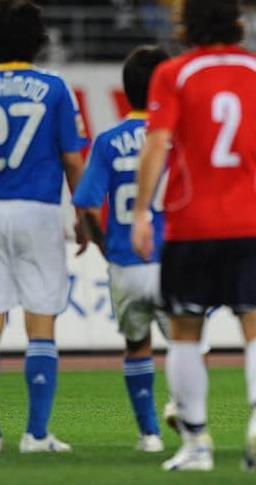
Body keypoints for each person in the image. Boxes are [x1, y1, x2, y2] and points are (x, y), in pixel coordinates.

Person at [131, 0, 256, 472]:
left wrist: (141, 212)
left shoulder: (173, 74)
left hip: (192, 224)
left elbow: (156, 145)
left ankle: (196, 445)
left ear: (186, 25)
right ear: (237, 23)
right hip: (254, 225)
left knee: (186, 335)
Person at [0, 0, 88, 454]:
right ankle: (36, 434)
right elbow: (72, 160)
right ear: (40, 41)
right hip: (39, 211)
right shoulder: (54, 88)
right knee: (40, 325)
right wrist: (85, 216)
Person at [73, 44, 174, 453]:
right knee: (190, 343)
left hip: (125, 262)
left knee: (137, 347)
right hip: (172, 260)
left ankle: (149, 435)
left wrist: (103, 244)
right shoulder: (175, 136)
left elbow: (85, 202)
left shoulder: (108, 140)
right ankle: (185, 410)